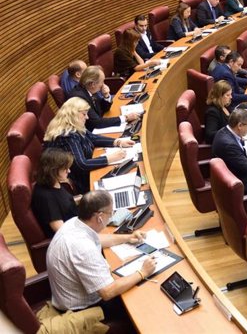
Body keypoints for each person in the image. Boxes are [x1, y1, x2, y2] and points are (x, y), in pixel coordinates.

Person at [46, 191, 156, 322]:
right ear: (99, 217)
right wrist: (143, 272)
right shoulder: (83, 248)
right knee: (143, 299)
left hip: (66, 298)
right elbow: (107, 292)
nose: (112, 216)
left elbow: (97, 239)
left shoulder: (73, 223)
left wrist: (128, 237)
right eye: (111, 213)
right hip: (82, 309)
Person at [43, 97, 133, 194]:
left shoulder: (73, 124)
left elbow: (93, 138)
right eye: (84, 114)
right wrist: (110, 158)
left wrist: (118, 142)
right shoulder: (67, 135)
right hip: (79, 180)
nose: (87, 117)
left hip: (84, 173)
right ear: (73, 114)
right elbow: (82, 164)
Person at [69, 65, 140, 131]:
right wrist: (126, 118)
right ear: (93, 84)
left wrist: (106, 95)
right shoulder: (80, 97)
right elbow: (96, 122)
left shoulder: (89, 89)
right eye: (102, 81)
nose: (103, 84)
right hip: (90, 132)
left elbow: (103, 109)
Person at [31, 148, 79, 237]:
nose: (69, 171)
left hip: (77, 222)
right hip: (73, 235)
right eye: (65, 168)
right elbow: (62, 231)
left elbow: (64, 203)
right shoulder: (46, 198)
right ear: (53, 170)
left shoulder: (55, 183)